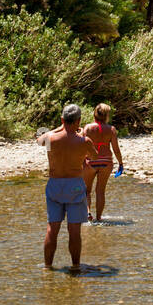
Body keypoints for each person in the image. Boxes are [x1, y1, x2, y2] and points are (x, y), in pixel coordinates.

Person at [37, 103, 96, 271]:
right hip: (75, 185)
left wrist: (59, 127)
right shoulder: (84, 141)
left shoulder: (50, 139)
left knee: (52, 228)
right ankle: (75, 266)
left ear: (62, 119)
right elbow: (94, 156)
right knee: (74, 230)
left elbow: (39, 140)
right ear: (78, 121)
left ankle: (48, 267)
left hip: (55, 184)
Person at [81, 103, 123, 223]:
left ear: (95, 113)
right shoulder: (111, 129)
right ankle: (99, 218)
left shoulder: (88, 128)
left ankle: (88, 213)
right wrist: (121, 163)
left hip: (90, 162)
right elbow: (116, 149)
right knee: (100, 191)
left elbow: (82, 146)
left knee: (86, 191)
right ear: (106, 115)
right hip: (106, 162)